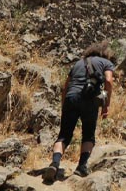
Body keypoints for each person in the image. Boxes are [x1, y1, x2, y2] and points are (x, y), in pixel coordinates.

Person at [42, 42, 115, 182]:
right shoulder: (106, 62)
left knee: (64, 135)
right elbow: (108, 81)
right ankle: (81, 167)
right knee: (88, 135)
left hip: (71, 97)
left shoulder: (78, 63)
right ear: (105, 53)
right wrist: (106, 105)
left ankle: (55, 163)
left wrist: (64, 105)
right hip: (90, 100)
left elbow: (66, 85)